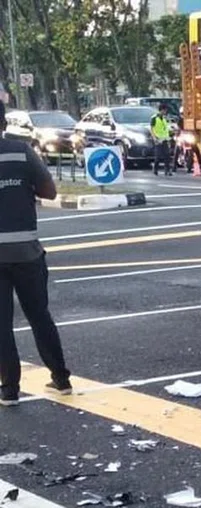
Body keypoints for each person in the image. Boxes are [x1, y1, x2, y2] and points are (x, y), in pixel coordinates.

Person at [0, 101, 72, 407]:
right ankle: (61, 378)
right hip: (27, 251)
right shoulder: (22, 151)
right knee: (40, 315)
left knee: (1, 324)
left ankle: (10, 390)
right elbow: (50, 192)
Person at [151, 103, 173, 176]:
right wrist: (154, 138)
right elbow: (152, 129)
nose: (165, 112)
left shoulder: (164, 118)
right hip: (158, 139)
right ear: (161, 110)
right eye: (164, 110)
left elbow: (166, 129)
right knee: (158, 156)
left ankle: (167, 170)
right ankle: (155, 169)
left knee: (167, 155)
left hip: (165, 139)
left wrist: (169, 137)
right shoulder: (154, 118)